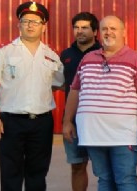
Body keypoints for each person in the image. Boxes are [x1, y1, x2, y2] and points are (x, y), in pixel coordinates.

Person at [63, 15, 137, 191]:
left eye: (113, 28)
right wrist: (67, 121)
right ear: (99, 33)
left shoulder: (136, 60)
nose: (109, 32)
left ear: (123, 33)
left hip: (122, 133)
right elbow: (74, 91)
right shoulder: (88, 59)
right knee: (104, 179)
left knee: (125, 180)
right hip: (92, 133)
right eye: (105, 29)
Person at [0, 1, 64, 191]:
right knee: (10, 174)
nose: (30, 25)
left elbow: (58, 85)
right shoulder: (3, 51)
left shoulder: (52, 56)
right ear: (18, 24)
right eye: (26, 21)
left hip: (42, 123)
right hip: (11, 122)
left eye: (36, 22)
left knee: (37, 174)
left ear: (44, 27)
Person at [60, 12, 101, 191]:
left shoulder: (104, 53)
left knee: (105, 169)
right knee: (77, 166)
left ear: (95, 31)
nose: (80, 31)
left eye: (85, 27)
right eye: (76, 27)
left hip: (99, 121)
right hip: (74, 120)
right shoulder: (66, 55)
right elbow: (61, 84)